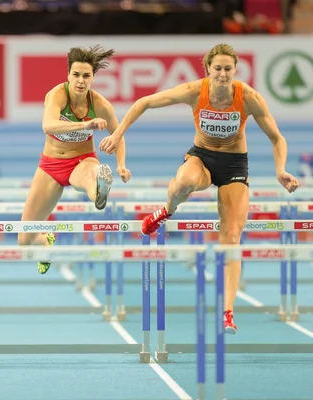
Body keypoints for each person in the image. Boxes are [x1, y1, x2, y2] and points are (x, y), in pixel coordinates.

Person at [99, 43, 299, 334]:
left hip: (234, 167)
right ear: (208, 69)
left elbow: (278, 138)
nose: (222, 74)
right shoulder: (195, 91)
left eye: (227, 69)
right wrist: (117, 135)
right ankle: (166, 210)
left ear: (235, 70)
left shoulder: (249, 98)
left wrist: (280, 169)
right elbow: (144, 102)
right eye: (217, 68)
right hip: (202, 158)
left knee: (231, 237)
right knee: (184, 182)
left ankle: (228, 312)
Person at [18, 45, 132, 275]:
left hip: (81, 161)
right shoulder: (57, 94)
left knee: (92, 179)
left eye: (86, 76)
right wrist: (85, 124)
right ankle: (45, 243)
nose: (81, 81)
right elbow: (47, 125)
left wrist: (121, 164)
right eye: (76, 75)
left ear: (93, 78)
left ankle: (99, 189)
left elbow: (117, 135)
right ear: (68, 75)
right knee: (24, 240)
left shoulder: (100, 104)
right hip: (50, 166)